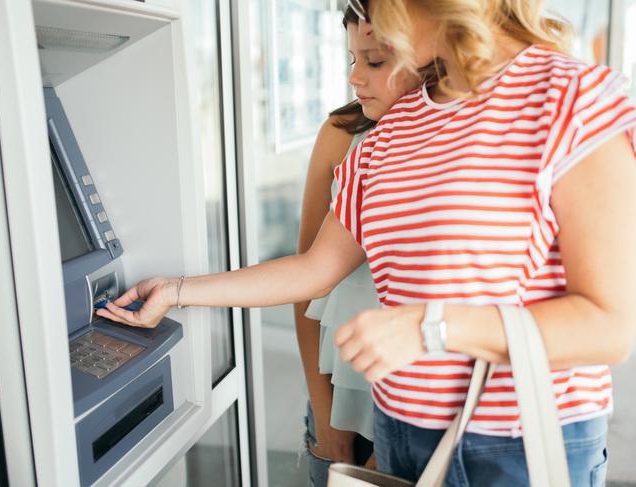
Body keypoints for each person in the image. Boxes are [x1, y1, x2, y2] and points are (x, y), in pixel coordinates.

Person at [98, 0, 636, 484]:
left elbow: (610, 327)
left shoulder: (571, 97)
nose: (371, 17)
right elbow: (314, 268)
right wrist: (177, 290)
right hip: (399, 432)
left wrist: (432, 327)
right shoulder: (395, 128)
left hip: (520, 446)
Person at [295, 3, 422, 485]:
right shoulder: (342, 134)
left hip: (425, 414)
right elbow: (308, 279)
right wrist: (327, 419)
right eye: (351, 58)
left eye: (373, 60)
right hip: (339, 401)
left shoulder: (461, 146)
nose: (354, 77)